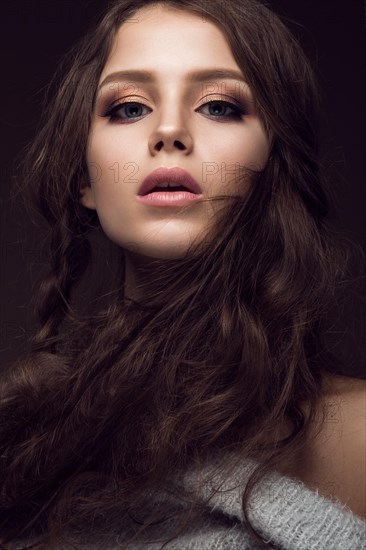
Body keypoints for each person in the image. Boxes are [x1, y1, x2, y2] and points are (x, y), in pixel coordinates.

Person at [0, 0, 365, 548]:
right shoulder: (26, 435)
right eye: (128, 108)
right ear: (85, 180)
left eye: (219, 106)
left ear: (274, 161)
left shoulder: (356, 437)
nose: (169, 131)